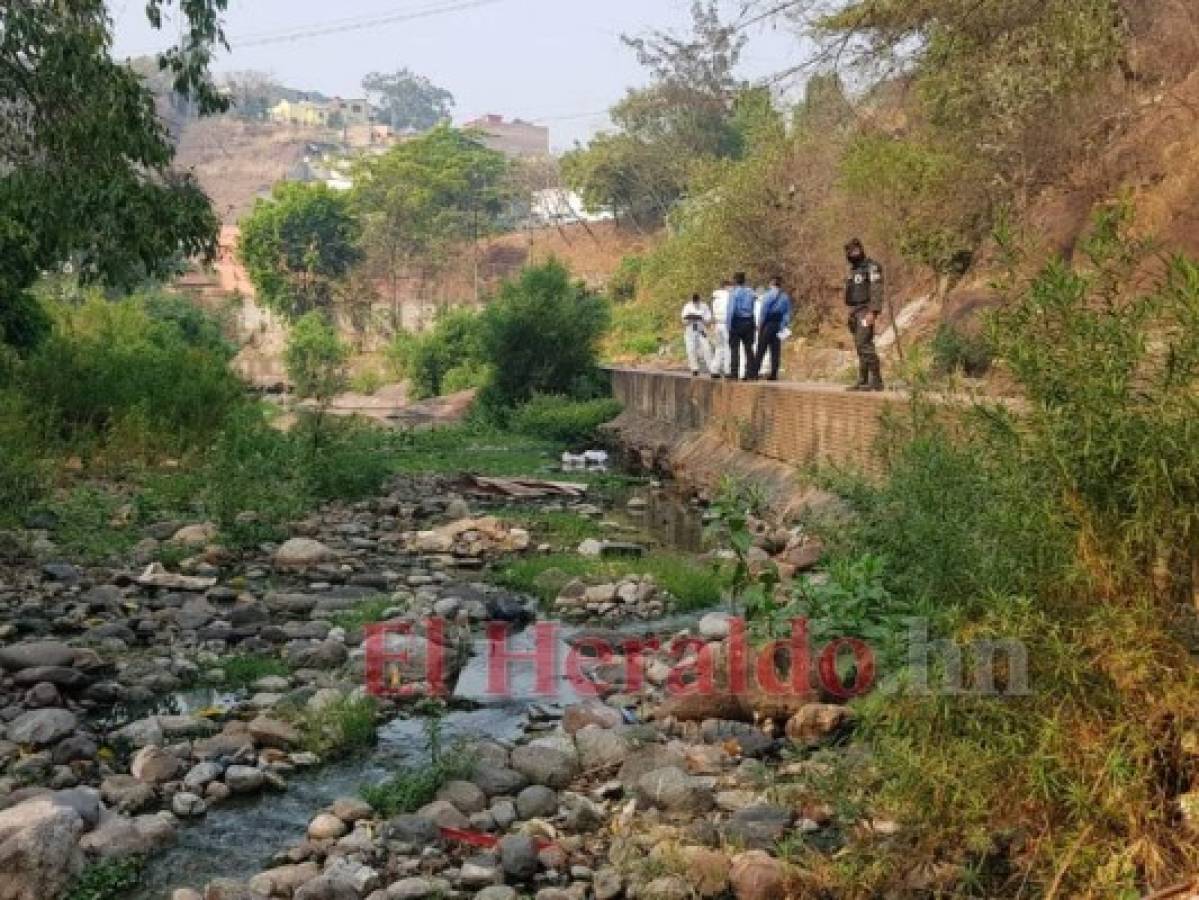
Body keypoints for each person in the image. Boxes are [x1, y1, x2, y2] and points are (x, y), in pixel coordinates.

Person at [844, 238, 885, 391]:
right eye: (850, 251)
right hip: (855, 312)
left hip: (866, 310)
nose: (853, 253)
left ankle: (877, 379)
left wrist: (873, 312)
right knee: (859, 346)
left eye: (855, 250)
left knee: (864, 344)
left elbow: (876, 289)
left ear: (861, 249)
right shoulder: (853, 270)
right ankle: (863, 379)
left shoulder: (872, 267)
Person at [749, 276, 793, 381]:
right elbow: (787, 314)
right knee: (775, 350)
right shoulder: (785, 297)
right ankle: (774, 373)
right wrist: (783, 325)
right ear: (780, 284)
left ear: (771, 284)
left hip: (768, 324)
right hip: (778, 325)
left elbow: (764, 312)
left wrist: (760, 325)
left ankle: (754, 373)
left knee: (761, 349)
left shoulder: (768, 295)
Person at [724, 272, 757, 380]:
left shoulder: (733, 293)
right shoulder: (751, 292)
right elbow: (753, 306)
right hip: (749, 321)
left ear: (735, 281)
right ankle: (751, 373)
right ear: (744, 280)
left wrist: (728, 325)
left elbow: (731, 311)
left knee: (734, 348)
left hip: (737, 322)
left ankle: (734, 374)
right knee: (748, 348)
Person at [680, 293, 712, 377]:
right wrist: (690, 319)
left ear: (699, 300)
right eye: (694, 301)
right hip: (690, 330)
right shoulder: (687, 306)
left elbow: (708, 319)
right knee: (691, 349)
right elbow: (683, 320)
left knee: (707, 348)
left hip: (701, 329)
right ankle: (694, 368)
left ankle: (712, 368)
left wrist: (702, 319)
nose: (696, 303)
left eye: (697, 301)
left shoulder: (704, 306)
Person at [707, 280, 732, 378]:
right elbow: (730, 311)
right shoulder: (728, 296)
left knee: (719, 347)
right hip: (726, 324)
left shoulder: (715, 297)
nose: (732, 288)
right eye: (730, 286)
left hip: (718, 324)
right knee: (728, 347)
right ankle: (728, 370)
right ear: (726, 286)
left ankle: (714, 369)